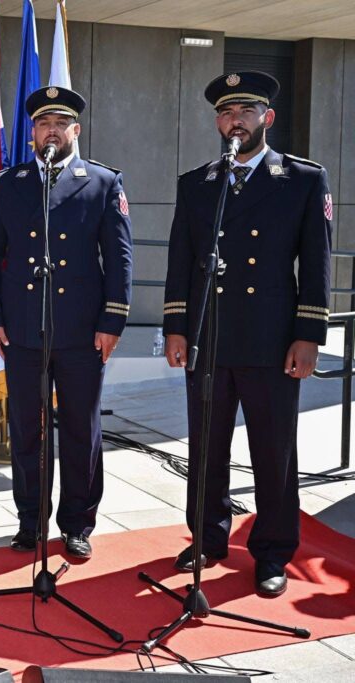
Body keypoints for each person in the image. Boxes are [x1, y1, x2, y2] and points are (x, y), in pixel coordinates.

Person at [162, 71, 332, 596]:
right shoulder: (198, 183)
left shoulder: (301, 179)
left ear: (267, 118)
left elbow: (316, 263)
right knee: (206, 447)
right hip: (209, 337)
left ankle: (272, 551)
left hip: (271, 339)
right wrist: (175, 327)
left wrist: (309, 335)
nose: (235, 121)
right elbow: (181, 260)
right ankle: (207, 538)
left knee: (273, 451)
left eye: (246, 111)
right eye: (226, 113)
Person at [0, 86, 133, 561]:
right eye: (43, 123)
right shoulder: (9, 183)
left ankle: (77, 523)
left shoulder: (103, 182)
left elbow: (119, 258)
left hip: (83, 332)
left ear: (75, 131)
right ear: (32, 133)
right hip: (23, 329)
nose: (52, 131)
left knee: (82, 430)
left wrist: (113, 320)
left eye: (61, 124)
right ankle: (30, 520)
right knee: (27, 428)